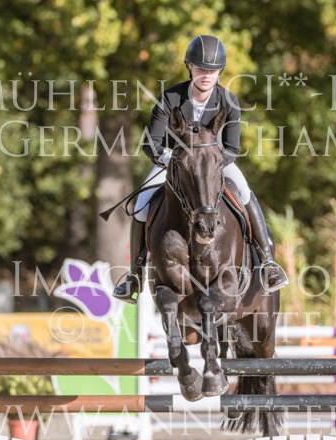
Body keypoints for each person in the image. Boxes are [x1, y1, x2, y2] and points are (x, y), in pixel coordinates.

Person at [113, 34, 289, 303]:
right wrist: (176, 161)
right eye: (201, 68)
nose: (207, 75)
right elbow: (151, 143)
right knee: (141, 203)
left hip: (214, 165)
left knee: (244, 192)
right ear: (190, 67)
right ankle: (134, 273)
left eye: (212, 70)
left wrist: (209, 164)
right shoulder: (170, 97)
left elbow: (232, 148)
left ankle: (267, 262)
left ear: (220, 72)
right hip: (174, 163)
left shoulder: (228, 101)